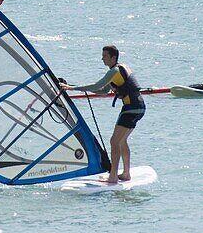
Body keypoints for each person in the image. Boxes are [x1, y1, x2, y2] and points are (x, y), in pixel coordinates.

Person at [59, 45, 145, 184]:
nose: (102, 58)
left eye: (105, 56)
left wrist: (72, 88)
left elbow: (96, 86)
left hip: (130, 108)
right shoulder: (120, 69)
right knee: (121, 141)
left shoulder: (115, 71)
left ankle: (113, 176)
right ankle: (126, 173)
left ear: (113, 57)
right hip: (139, 108)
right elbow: (104, 90)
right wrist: (81, 88)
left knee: (114, 142)